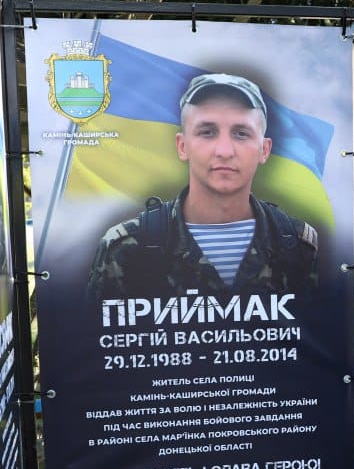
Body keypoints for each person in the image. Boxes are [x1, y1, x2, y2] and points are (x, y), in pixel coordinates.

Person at [87, 73, 318, 300]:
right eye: (207, 132)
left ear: (264, 150)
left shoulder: (297, 247)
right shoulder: (127, 248)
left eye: (241, 134)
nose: (224, 151)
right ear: (182, 146)